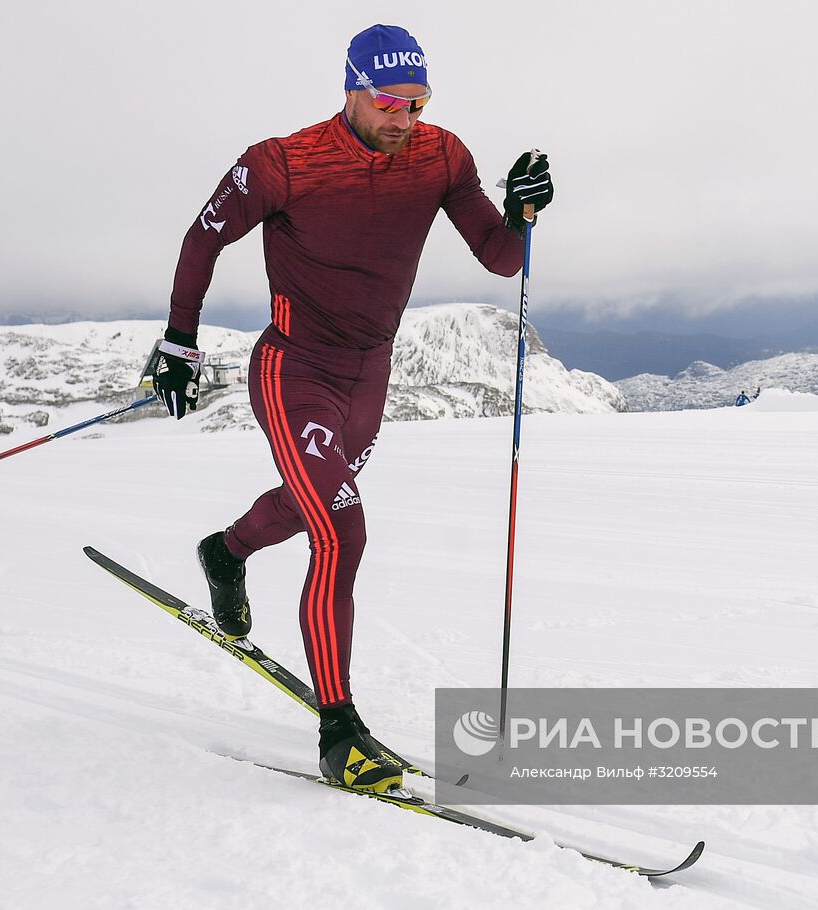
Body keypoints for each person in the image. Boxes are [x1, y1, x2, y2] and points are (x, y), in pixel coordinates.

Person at [143, 24, 554, 793]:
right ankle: (340, 731)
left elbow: (500, 258)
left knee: (314, 504)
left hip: (370, 377)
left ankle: (226, 551)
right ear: (354, 89)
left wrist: (522, 212)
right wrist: (179, 340)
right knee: (343, 523)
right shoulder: (284, 162)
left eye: (419, 103)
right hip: (294, 368)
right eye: (393, 102)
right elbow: (203, 238)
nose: (406, 119)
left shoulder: (441, 157)